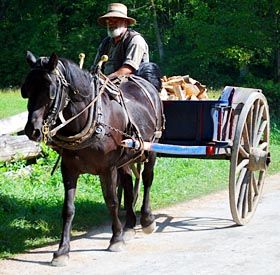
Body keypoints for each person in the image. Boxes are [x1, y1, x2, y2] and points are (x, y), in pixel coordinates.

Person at [92, 3, 149, 80]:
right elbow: (96, 67)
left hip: (132, 84)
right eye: (109, 21)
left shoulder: (135, 40)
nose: (111, 23)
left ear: (125, 22)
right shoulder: (105, 43)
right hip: (106, 84)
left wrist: (106, 80)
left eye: (115, 20)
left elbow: (128, 68)